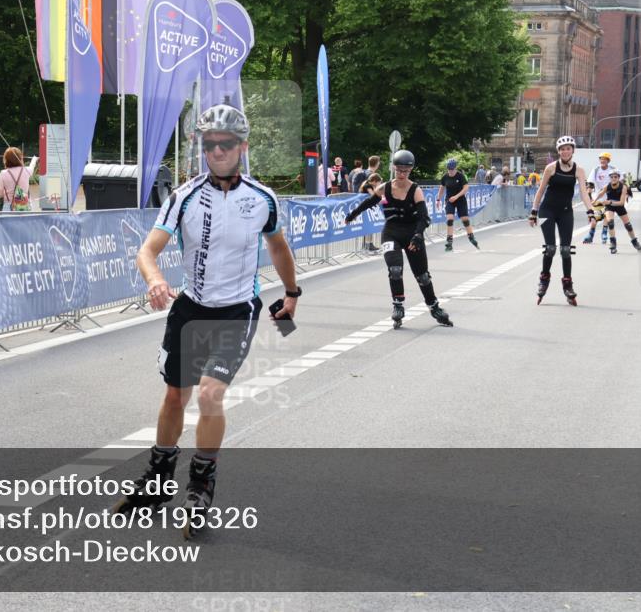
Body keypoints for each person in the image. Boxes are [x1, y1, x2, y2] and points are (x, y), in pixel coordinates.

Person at [120, 104, 301, 535]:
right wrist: (155, 280)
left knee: (209, 394)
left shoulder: (261, 200)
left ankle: (201, 484)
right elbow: (147, 250)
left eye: (225, 144)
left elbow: (277, 248)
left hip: (237, 310)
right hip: (190, 309)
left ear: (242, 146)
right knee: (173, 399)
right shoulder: (184, 196)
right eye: (208, 144)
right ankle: (159, 477)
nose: (216, 151)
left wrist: (292, 293)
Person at [345, 149, 453, 329]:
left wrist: (418, 235)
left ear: (410, 171)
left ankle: (434, 307)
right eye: (399, 170)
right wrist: (352, 215)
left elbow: (424, 217)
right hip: (391, 232)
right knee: (395, 269)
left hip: (412, 234)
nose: (402, 174)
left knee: (422, 276)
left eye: (406, 171)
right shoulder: (384, 187)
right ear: (394, 168)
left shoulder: (415, 190)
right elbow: (368, 202)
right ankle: (398, 306)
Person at [528, 136, 595, 306]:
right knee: (550, 248)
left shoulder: (578, 170)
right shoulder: (551, 168)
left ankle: (568, 285)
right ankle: (544, 280)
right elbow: (541, 191)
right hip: (546, 211)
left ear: (573, 150)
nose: (565, 151)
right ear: (558, 151)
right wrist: (534, 211)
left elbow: (583, 192)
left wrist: (591, 212)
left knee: (565, 249)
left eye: (568, 148)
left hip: (565, 211)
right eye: (562, 149)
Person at [594, 169, 641, 254]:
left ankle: (635, 242)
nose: (613, 178)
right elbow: (601, 193)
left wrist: (610, 201)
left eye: (615, 177)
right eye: (612, 177)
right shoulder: (607, 186)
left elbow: (621, 203)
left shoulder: (623, 187)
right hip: (610, 207)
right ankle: (613, 243)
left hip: (619, 206)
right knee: (610, 223)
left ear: (618, 178)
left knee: (628, 226)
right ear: (610, 178)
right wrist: (595, 200)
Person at [437, 158, 479, 251]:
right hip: (450, 201)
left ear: (455, 168)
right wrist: (438, 199)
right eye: (449, 169)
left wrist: (456, 196)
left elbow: (466, 188)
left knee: (465, 219)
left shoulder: (460, 176)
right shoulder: (445, 177)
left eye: (452, 169)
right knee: (450, 219)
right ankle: (449, 241)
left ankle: (471, 237)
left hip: (460, 200)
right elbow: (442, 187)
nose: (451, 171)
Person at [583, 152, 613, 244]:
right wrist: (589, 196)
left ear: (608, 161)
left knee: (607, 217)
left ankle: (604, 234)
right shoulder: (596, 170)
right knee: (594, 219)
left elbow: (618, 182)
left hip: (608, 198)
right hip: (597, 198)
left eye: (605, 159)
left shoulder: (612, 170)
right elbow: (590, 184)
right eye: (601, 159)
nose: (602, 160)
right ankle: (590, 235)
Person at [0, 147, 32, 212]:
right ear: (20, 158)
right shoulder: (27, 170)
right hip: (25, 207)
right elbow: (32, 166)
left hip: (9, 208)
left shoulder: (3, 173)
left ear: (6, 159)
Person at [359, 168, 383, 253]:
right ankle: (367, 245)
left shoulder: (368, 184)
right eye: (379, 182)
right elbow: (373, 196)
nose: (379, 184)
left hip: (367, 208)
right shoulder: (367, 186)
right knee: (368, 226)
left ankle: (369, 244)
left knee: (370, 226)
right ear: (374, 181)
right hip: (366, 208)